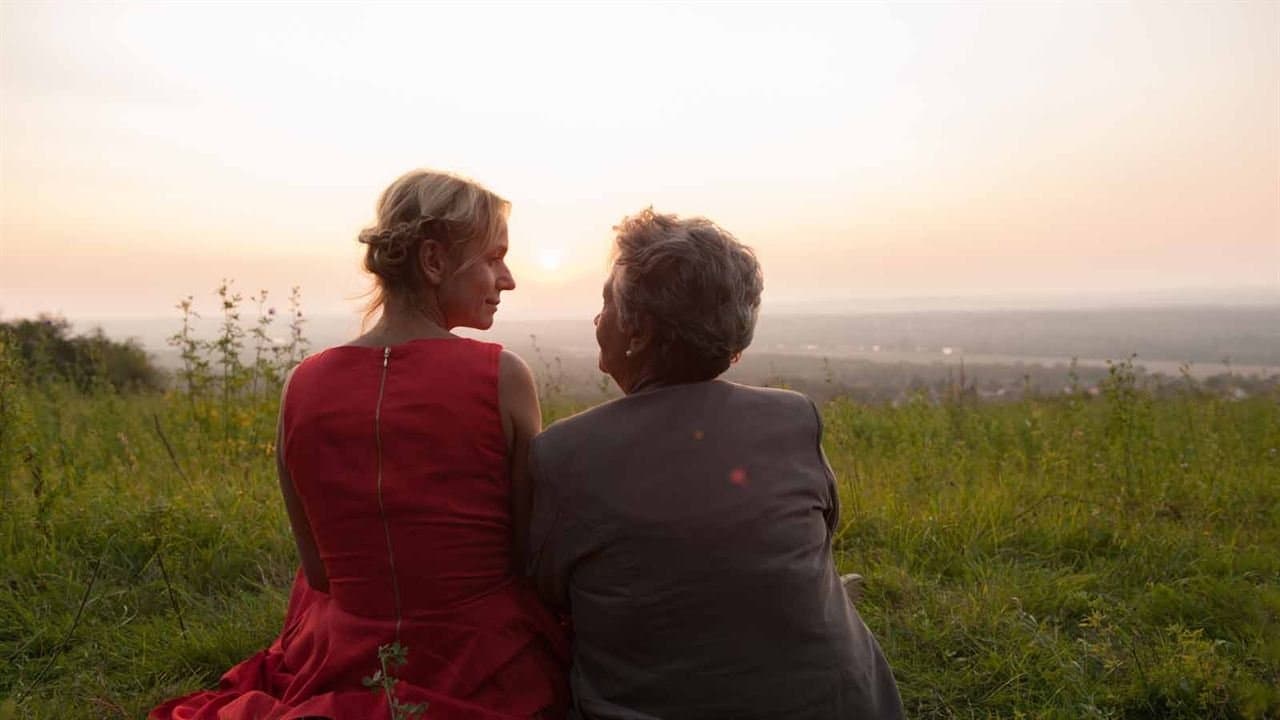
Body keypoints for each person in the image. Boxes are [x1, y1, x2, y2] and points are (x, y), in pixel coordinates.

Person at [152, 170, 569, 720]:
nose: (508, 279)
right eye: (493, 258)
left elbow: (322, 575)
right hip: (483, 659)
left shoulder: (303, 382)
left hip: (346, 653)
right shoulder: (503, 377)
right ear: (434, 261)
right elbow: (526, 556)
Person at [527, 209, 903, 720]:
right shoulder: (794, 416)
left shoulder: (563, 453)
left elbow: (542, 593)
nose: (598, 320)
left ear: (638, 332)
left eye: (606, 303)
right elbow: (818, 536)